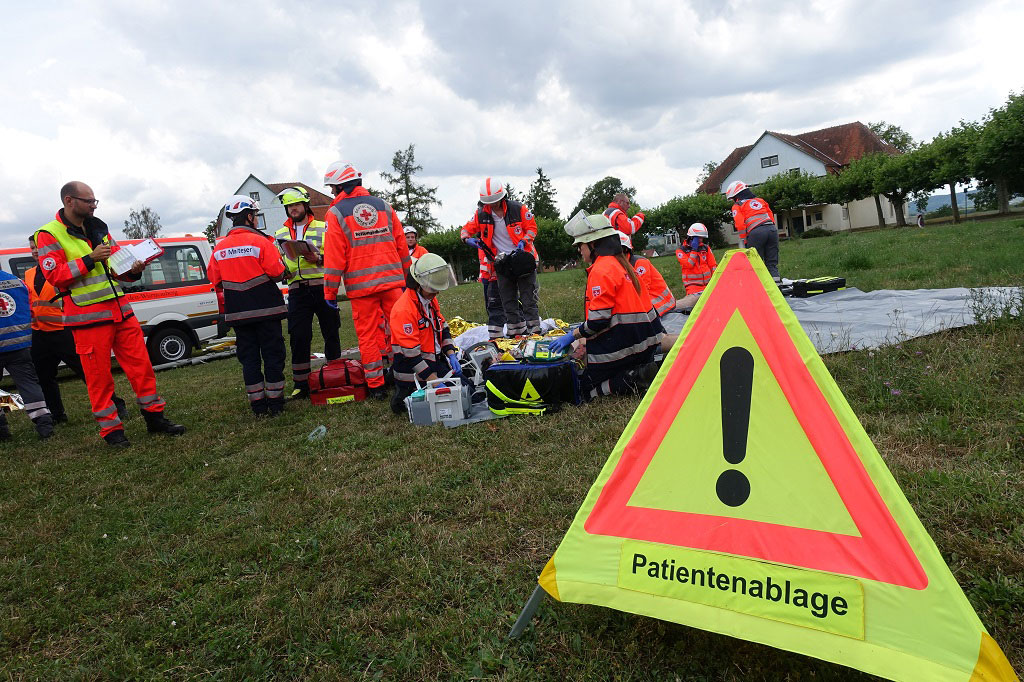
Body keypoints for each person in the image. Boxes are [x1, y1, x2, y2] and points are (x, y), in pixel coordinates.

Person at [34, 181, 184, 447]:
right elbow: (54, 276)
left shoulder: (98, 227)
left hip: (121, 313)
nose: (93, 205)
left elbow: (117, 267)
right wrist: (90, 259)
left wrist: (135, 269)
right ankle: (111, 431)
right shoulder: (49, 234)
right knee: (98, 378)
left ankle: (155, 417)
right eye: (88, 201)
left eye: (94, 201)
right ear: (70, 201)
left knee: (142, 368)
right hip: (87, 318)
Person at [550, 212, 664, 399]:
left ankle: (631, 378)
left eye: (580, 245)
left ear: (593, 244)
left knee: (584, 390)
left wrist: (572, 335)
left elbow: (598, 320)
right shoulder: (621, 263)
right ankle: (637, 370)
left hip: (624, 346)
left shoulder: (601, 270)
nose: (579, 250)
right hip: (645, 341)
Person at [322, 161, 411, 399]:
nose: (331, 192)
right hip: (393, 282)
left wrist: (329, 293)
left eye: (333, 188)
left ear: (342, 187)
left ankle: (376, 386)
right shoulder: (384, 206)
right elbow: (401, 244)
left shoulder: (336, 213)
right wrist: (408, 277)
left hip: (362, 289)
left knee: (368, 337)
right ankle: (403, 375)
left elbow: (333, 257)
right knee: (400, 330)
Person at [23, 235, 127, 423]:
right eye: (32, 249)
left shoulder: (59, 270)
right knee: (44, 376)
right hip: (40, 332)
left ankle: (116, 404)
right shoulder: (29, 274)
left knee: (88, 372)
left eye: (37, 247)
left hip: (64, 328)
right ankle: (57, 414)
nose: (35, 251)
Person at [208, 195, 288, 416]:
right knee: (273, 355)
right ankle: (276, 403)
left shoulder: (220, 249)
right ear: (250, 216)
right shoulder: (262, 242)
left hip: (238, 314)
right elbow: (278, 272)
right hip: (267, 311)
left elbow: (214, 279)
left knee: (249, 359)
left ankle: (258, 406)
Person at [273, 186, 341, 399]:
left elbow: (338, 257)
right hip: (296, 290)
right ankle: (301, 384)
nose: (293, 209)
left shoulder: (323, 227)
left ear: (305, 205)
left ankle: (335, 375)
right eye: (289, 206)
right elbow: (278, 260)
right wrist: (282, 270)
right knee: (299, 336)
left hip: (322, 286)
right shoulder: (280, 234)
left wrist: (319, 259)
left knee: (331, 331)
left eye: (296, 205)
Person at [461, 177, 541, 336]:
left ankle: (535, 332)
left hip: (521, 259)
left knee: (528, 299)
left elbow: (532, 228)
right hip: (501, 262)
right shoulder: (481, 214)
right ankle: (515, 332)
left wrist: (523, 242)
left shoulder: (518, 209)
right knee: (508, 300)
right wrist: (466, 239)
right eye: (488, 203)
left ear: (502, 197)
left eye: (495, 201)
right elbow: (465, 230)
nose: (492, 205)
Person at [388, 254, 462, 414]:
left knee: (466, 390)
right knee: (456, 397)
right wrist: (434, 383)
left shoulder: (428, 299)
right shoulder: (404, 310)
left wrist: (451, 354)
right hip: (413, 371)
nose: (437, 294)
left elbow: (442, 327)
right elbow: (412, 356)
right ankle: (403, 394)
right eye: (433, 290)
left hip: (432, 362)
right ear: (418, 284)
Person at [0, 269, 54, 441]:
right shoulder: (17, 281)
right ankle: (44, 423)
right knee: (29, 384)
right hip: (19, 344)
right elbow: (30, 309)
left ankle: (2, 430)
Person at [725, 180, 780, 280]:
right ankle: (777, 287)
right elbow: (770, 216)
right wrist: (771, 229)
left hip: (756, 233)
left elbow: (740, 225)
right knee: (771, 262)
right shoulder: (761, 200)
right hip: (772, 230)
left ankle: (758, 288)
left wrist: (744, 241)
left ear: (736, 196)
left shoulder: (737, 206)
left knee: (755, 263)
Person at [619, 233, 675, 317]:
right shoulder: (621, 265)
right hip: (649, 302)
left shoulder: (639, 263)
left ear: (625, 249)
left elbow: (642, 290)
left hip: (661, 303)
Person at [675, 223, 718, 311]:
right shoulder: (681, 251)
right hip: (693, 287)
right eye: (699, 238)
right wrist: (694, 250)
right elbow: (689, 264)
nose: (701, 240)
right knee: (696, 309)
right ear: (691, 237)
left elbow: (713, 266)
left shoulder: (705, 248)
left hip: (708, 285)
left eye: (702, 238)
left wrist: (716, 282)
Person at [477, 248, 505, 340]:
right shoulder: (481, 239)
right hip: (489, 276)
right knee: (491, 307)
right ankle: (497, 334)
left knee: (497, 306)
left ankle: (499, 334)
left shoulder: (487, 237)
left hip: (497, 275)